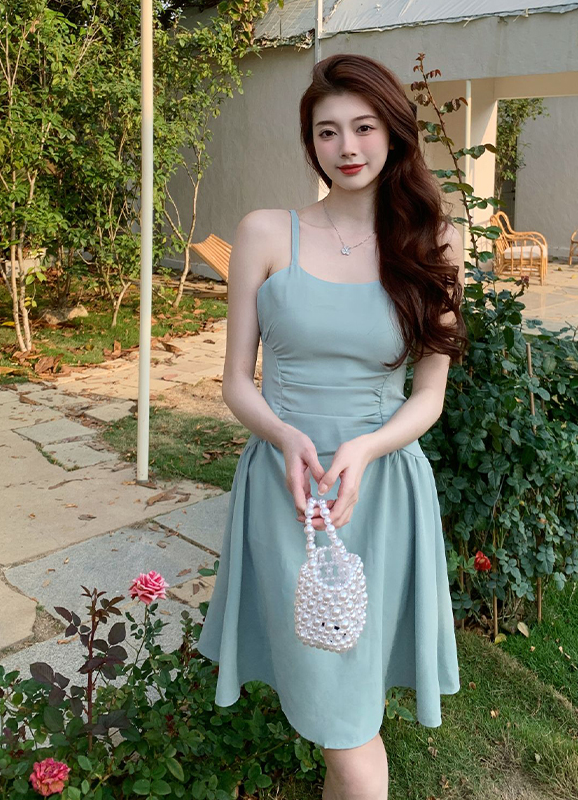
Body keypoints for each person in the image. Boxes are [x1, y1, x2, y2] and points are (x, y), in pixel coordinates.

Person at [196, 53, 469, 800]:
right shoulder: (264, 233)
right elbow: (235, 381)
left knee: (345, 719)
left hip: (379, 490)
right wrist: (285, 436)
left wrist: (368, 447)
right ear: (309, 141)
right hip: (285, 490)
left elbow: (429, 395)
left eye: (364, 127)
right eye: (327, 131)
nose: (346, 147)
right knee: (332, 705)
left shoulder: (435, 244)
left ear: (394, 133)